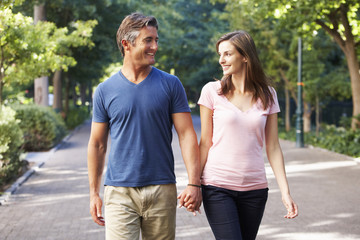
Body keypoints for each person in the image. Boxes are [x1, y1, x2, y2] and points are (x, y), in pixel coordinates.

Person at [87, 12, 201, 240]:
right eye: (148, 40)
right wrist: (93, 193)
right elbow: (97, 144)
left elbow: (187, 135)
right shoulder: (105, 90)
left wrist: (194, 183)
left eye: (156, 40)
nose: (155, 47)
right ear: (126, 44)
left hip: (162, 188)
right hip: (119, 191)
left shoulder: (171, 84)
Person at [198, 30, 298, 240]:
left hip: (255, 189)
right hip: (217, 186)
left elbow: (272, 147)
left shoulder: (268, 94)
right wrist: (193, 184)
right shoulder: (211, 91)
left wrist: (285, 192)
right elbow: (205, 142)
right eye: (220, 54)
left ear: (245, 56)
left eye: (227, 54)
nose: (221, 60)